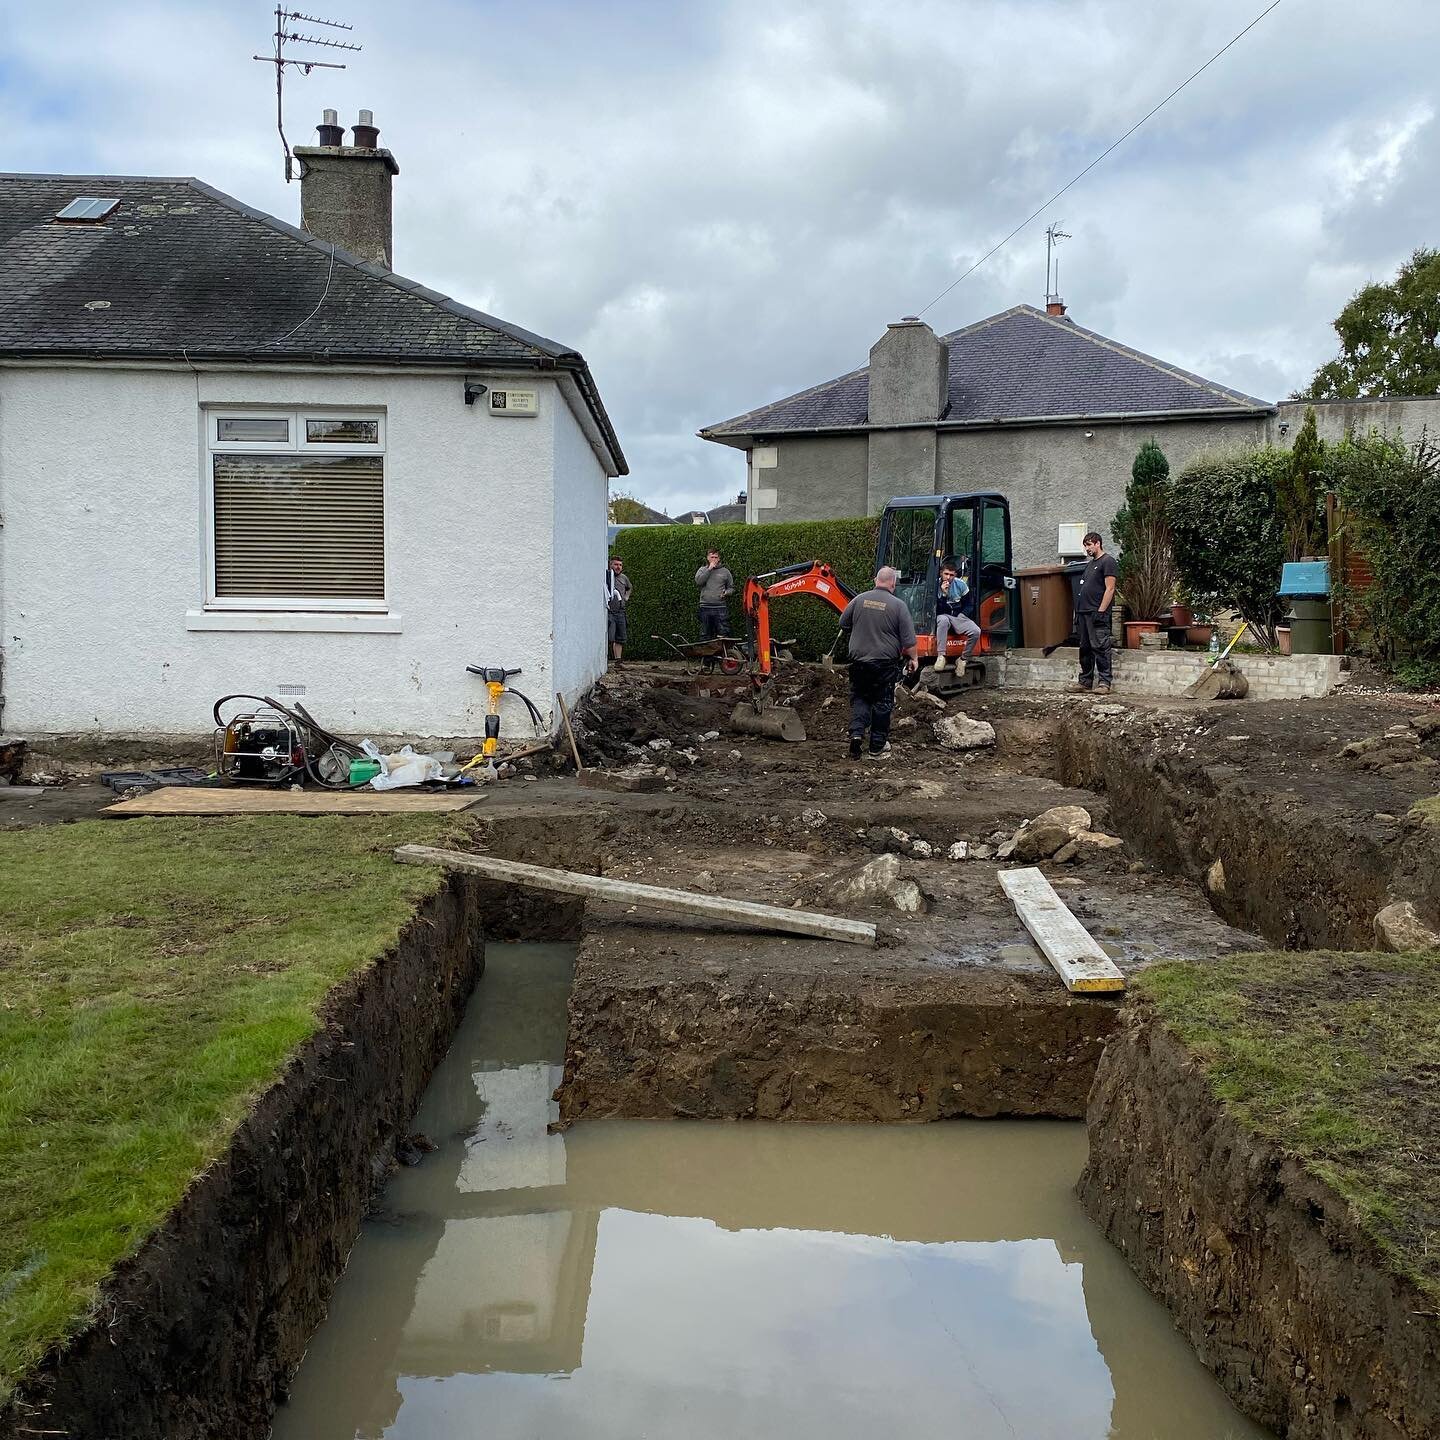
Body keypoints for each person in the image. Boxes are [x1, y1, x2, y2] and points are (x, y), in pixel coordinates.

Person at [838, 565, 918, 761]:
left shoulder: (858, 600)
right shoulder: (898, 605)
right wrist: (914, 659)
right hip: (884, 664)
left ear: (876, 580)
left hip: (858, 662)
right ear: (893, 583)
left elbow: (843, 623)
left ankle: (857, 734)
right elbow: (909, 641)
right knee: (882, 703)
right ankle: (876, 747)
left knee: (861, 699)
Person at [1073, 530, 1117, 695]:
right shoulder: (1090, 564)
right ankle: (1085, 682)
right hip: (1084, 613)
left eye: (1089, 545)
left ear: (1098, 543)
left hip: (1097, 613)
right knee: (1085, 648)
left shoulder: (1108, 562)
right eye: (1085, 546)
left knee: (1100, 646)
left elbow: (1110, 588)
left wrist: (1101, 610)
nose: (1087, 549)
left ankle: (1104, 683)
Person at [933, 559, 981, 672]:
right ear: (941, 573)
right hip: (943, 615)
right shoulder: (935, 585)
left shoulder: (961, 585)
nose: (948, 577)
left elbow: (970, 604)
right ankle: (941, 656)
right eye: (946, 574)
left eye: (951, 575)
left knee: (976, 631)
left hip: (958, 616)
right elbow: (938, 609)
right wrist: (944, 594)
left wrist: (962, 615)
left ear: (955, 575)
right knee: (942, 620)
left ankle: (963, 658)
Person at [694, 549, 734, 644]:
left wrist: (726, 592)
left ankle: (724, 656)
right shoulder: (702, 570)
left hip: (720, 607)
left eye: (716, 557)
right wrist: (709, 569)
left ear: (719, 558)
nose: (714, 559)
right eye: (712, 557)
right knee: (705, 634)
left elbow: (731, 588)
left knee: (724, 633)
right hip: (705, 607)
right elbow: (698, 582)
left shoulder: (725, 572)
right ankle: (707, 657)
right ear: (708, 558)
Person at [604, 555, 632, 667]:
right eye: (616, 564)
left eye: (620, 565)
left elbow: (629, 587)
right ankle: (604, 660)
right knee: (609, 635)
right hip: (609, 611)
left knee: (620, 637)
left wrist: (626, 597)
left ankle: (618, 661)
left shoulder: (624, 578)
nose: (618, 567)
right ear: (610, 565)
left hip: (620, 611)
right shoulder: (606, 577)